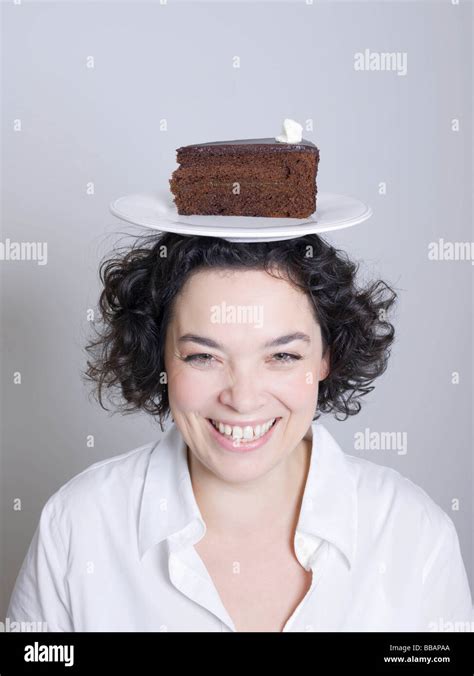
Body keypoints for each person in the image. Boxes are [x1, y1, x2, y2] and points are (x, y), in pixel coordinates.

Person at [6, 233, 473, 632]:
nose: (243, 398)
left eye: (282, 356)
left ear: (326, 358)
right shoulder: (78, 526)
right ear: (160, 357)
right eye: (203, 356)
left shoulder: (414, 536)